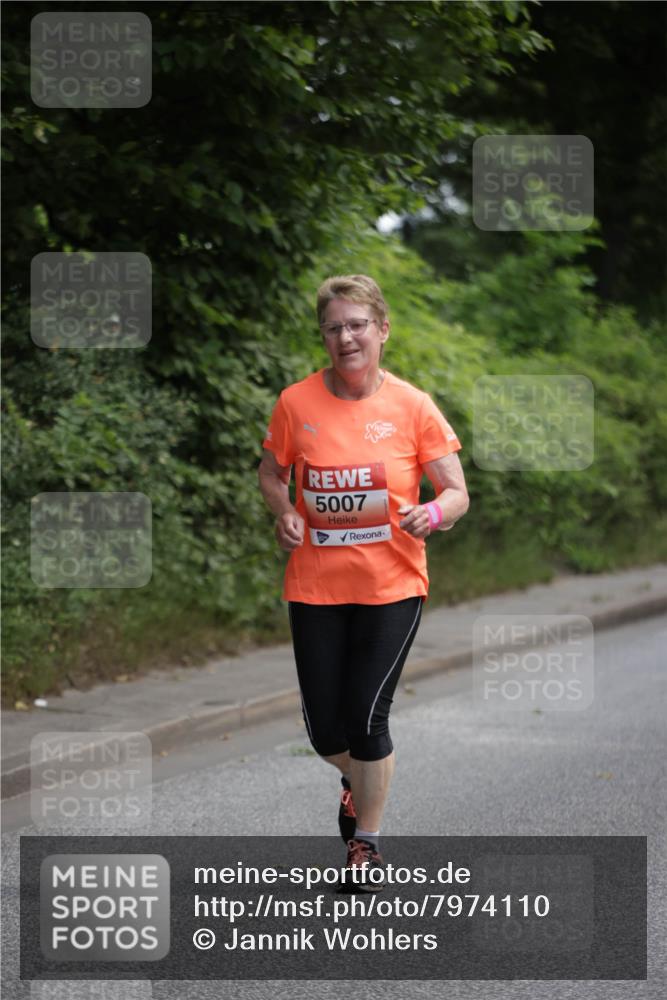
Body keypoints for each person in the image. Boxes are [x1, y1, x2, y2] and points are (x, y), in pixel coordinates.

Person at [258, 274, 469, 891]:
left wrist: (430, 514)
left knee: (367, 716)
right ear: (323, 336)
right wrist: (285, 512)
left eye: (356, 325)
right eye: (333, 327)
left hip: (392, 586)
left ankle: (366, 844)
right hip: (316, 588)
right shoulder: (296, 402)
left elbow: (455, 492)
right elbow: (272, 474)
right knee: (327, 730)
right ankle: (359, 783)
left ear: (381, 329)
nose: (345, 337)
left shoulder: (413, 406)